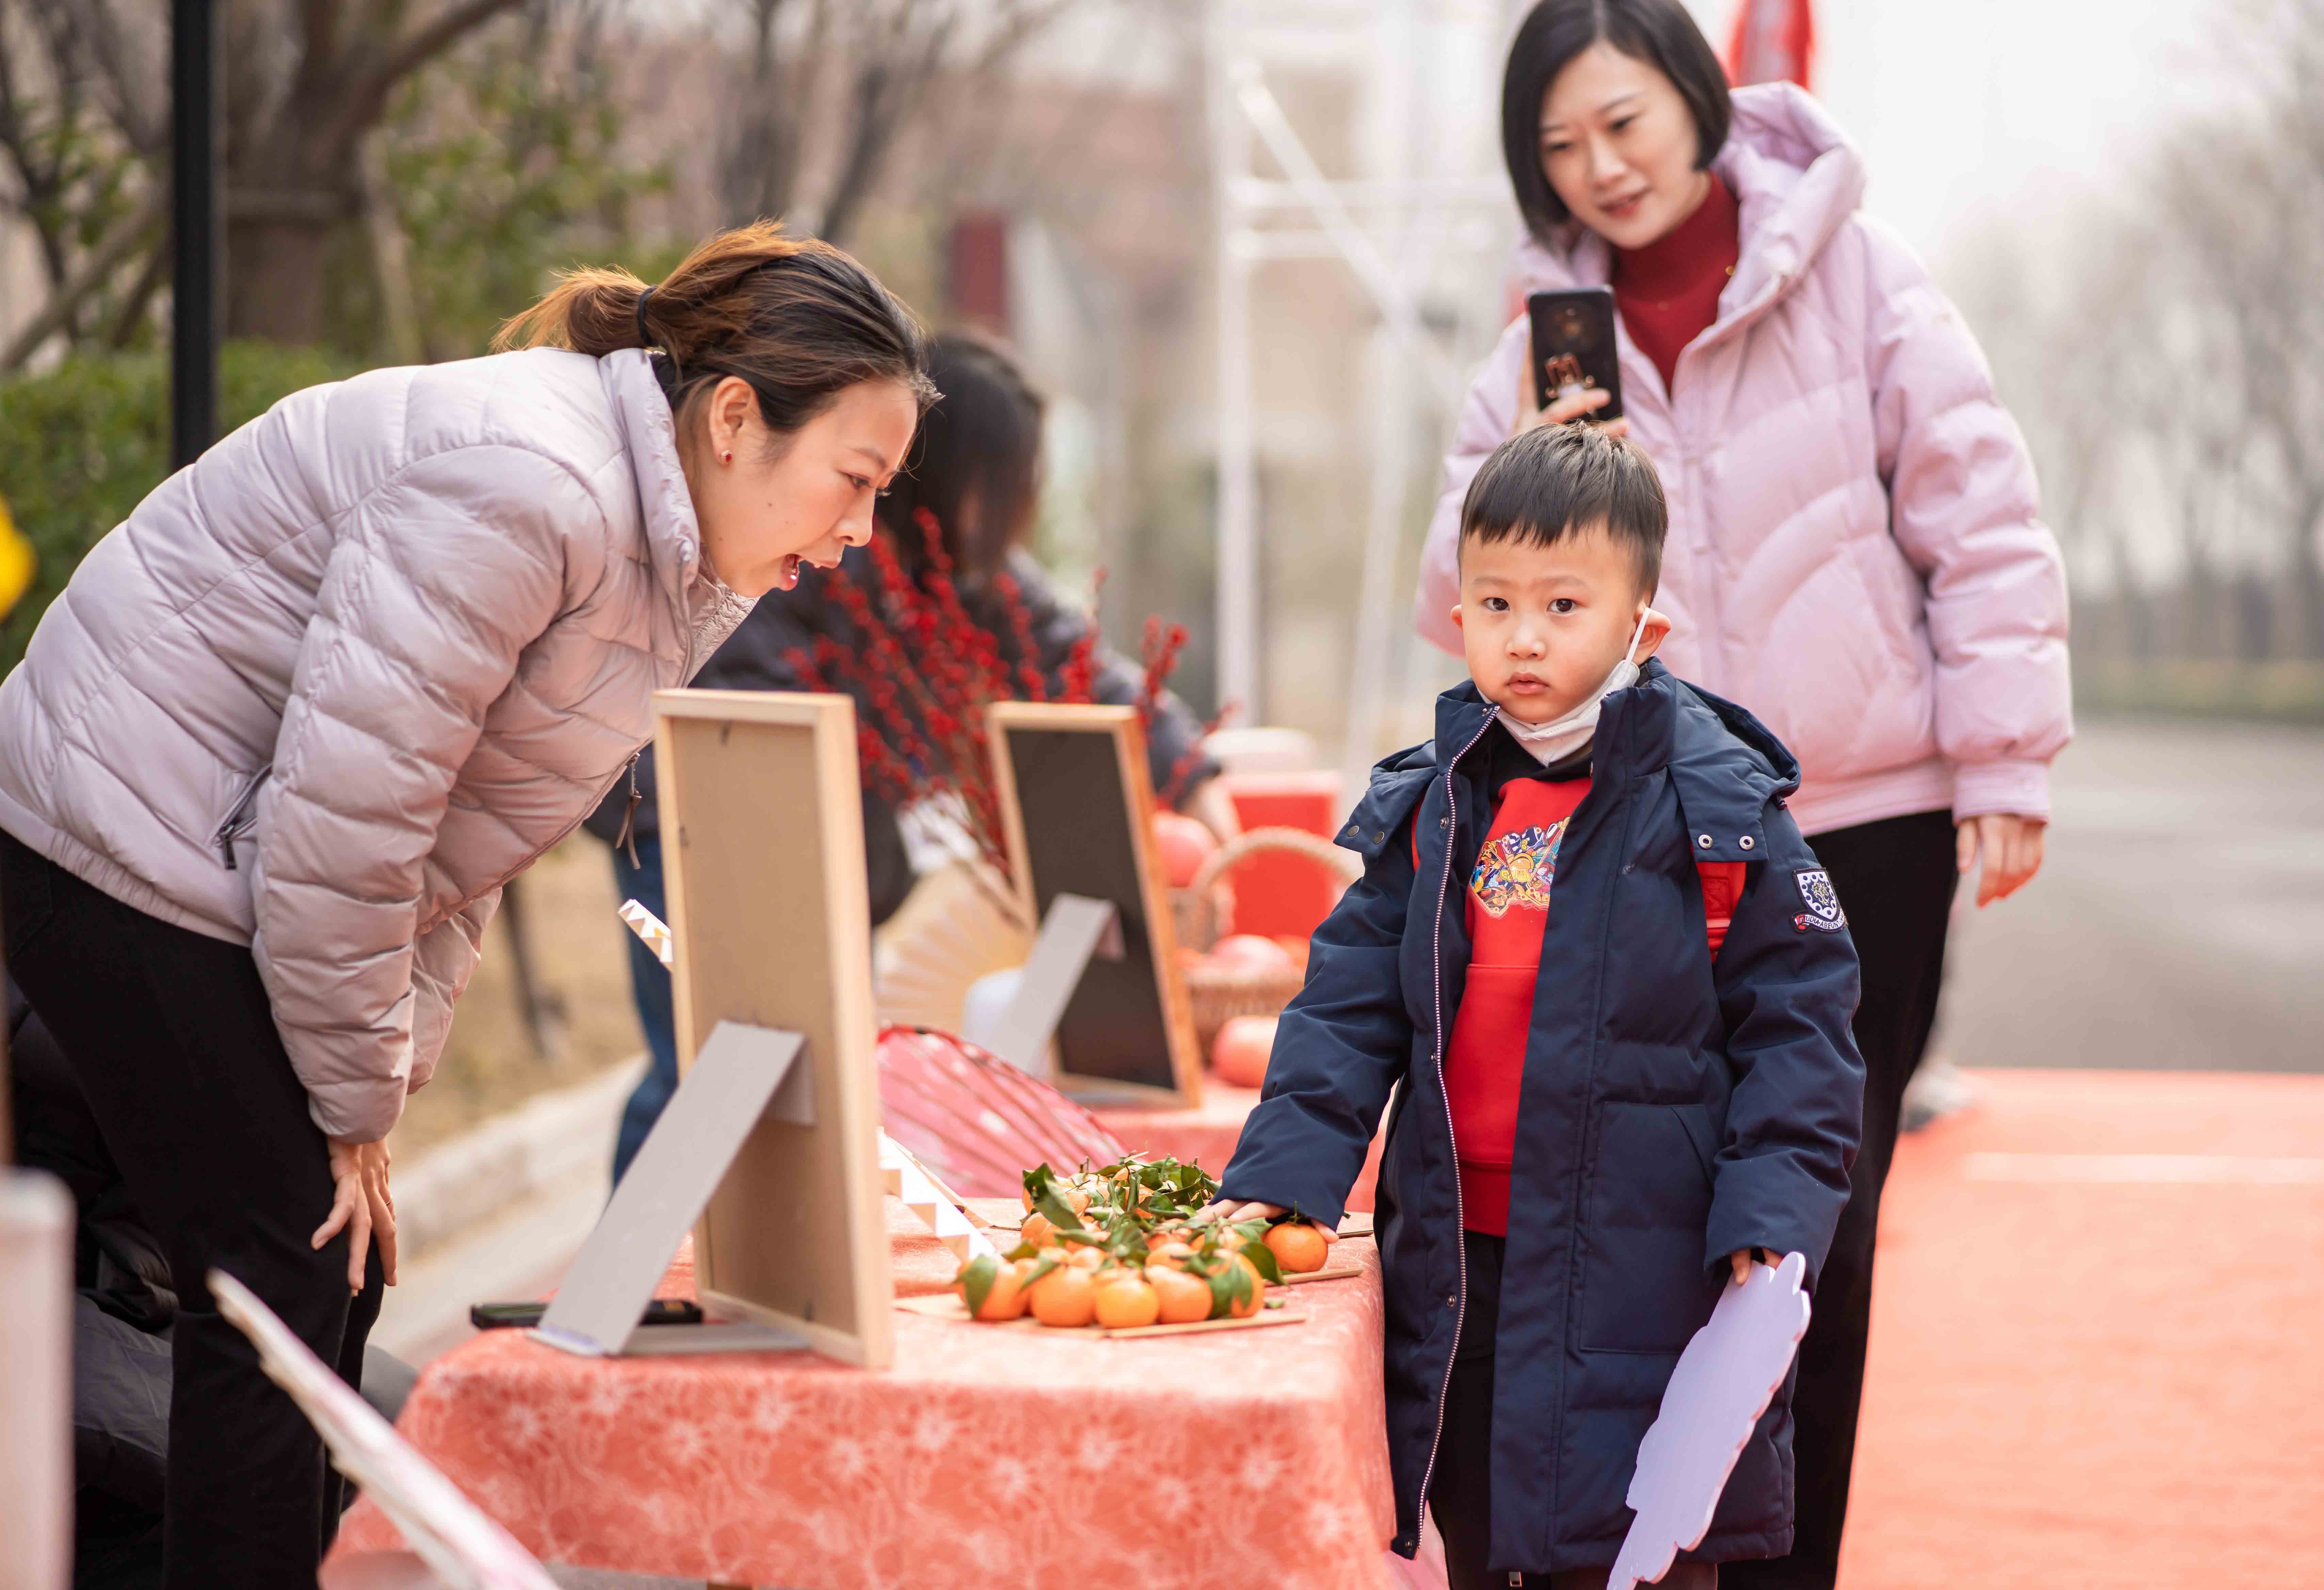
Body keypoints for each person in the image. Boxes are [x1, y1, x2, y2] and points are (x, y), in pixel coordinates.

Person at [0, 223, 931, 1588]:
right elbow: (348, 825)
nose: (858, 534)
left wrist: (371, 1096)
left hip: (225, 848)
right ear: (736, 418)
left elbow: (455, 846)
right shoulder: (532, 486)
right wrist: (350, 1098)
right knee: (280, 1256)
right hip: (113, 822)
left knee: (344, 1247)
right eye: (856, 479)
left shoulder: (654, 549)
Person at [1411, 4, 2072, 1581]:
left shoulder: (1856, 271)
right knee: (1658, 1218)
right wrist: (1532, 464)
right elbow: (1455, 585)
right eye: (1562, 145)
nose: (1603, 168)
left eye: (1624, 123)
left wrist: (2000, 756)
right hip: (1646, 838)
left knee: (1806, 1237)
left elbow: (1975, 510)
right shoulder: (1534, 337)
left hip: (1863, 820)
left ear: (1698, 102)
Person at [1208, 424, 1864, 1589]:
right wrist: (1277, 1181)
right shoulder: (1436, 807)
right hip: (1463, 1263)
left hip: (1647, 1270)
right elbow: (1342, 1016)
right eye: (1495, 601)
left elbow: (1800, 1032)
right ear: (1455, 616)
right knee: (1475, 1524)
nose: (1523, 637)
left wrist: (1769, 1221)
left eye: (1563, 605)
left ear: (1639, 622)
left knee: (1628, 1547)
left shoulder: (1719, 810)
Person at [592, 331, 1233, 1183]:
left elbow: (1074, 661)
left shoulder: (959, 567)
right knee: (704, 1070)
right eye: (1005, 482)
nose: (1013, 508)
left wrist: (1194, 778)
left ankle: (704, 1281)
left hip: (819, 845)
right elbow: (750, 734)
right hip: (693, 822)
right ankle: (649, 1288)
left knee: (786, 1078)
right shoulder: (804, 545)